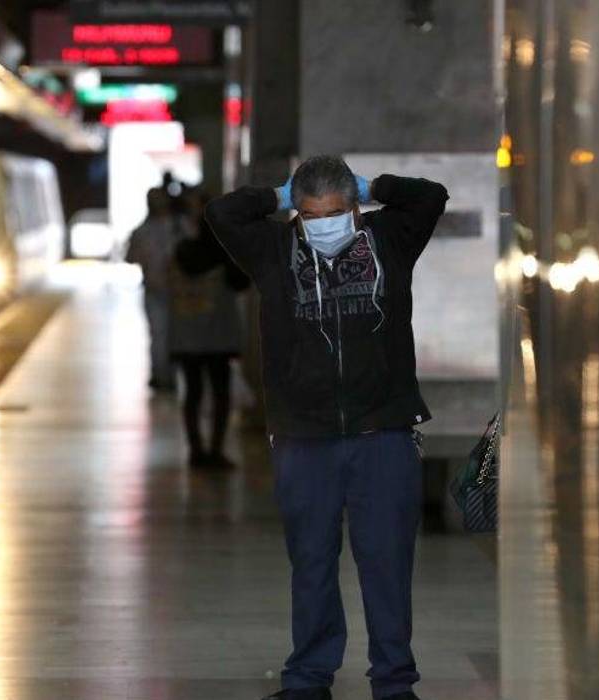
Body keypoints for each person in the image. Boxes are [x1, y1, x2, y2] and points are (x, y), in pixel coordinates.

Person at [205, 155, 448, 700]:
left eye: (335, 212)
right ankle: (309, 679)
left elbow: (430, 196)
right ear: (297, 213)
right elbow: (221, 213)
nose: (323, 225)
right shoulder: (272, 252)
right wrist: (277, 195)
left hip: (383, 433)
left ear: (355, 209)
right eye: (311, 215)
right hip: (303, 439)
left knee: (386, 564)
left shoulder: (390, 240)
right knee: (311, 563)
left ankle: (393, 682)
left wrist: (374, 184)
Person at [167, 188, 248, 467]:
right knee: (220, 393)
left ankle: (195, 450)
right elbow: (242, 284)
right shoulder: (225, 255)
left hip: (186, 335)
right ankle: (216, 449)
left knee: (192, 392)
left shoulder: (181, 251)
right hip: (218, 334)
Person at [126, 187, 188, 390]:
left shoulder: (179, 226)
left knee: (171, 334)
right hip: (155, 290)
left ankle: (168, 375)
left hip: (178, 291)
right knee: (159, 334)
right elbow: (131, 257)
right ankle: (161, 376)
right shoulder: (143, 230)